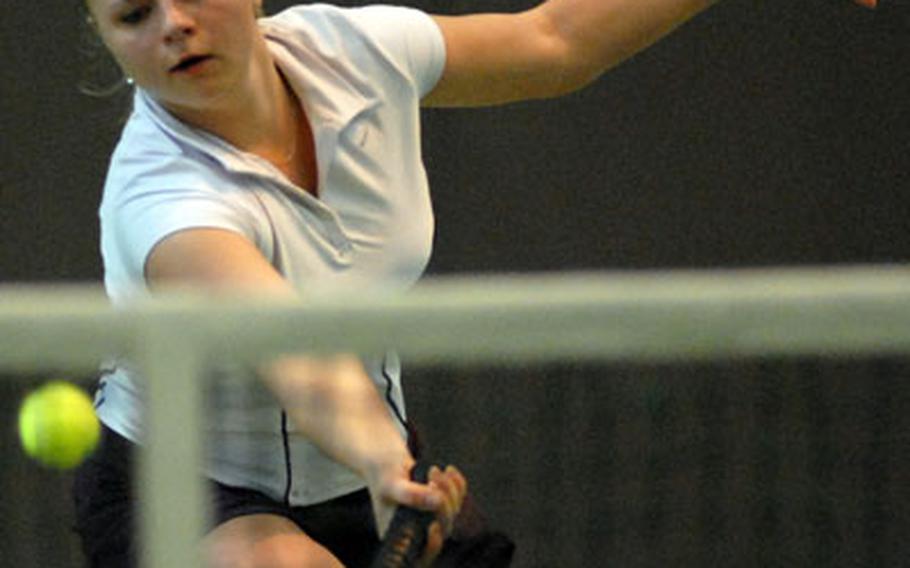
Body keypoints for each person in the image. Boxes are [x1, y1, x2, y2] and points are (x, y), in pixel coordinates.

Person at [71, 0, 728, 566]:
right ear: (105, 37)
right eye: (134, 15)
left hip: (366, 470)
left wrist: (386, 470)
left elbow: (555, 42)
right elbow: (303, 360)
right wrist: (386, 462)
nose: (173, 25)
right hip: (193, 491)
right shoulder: (164, 204)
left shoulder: (355, 55)